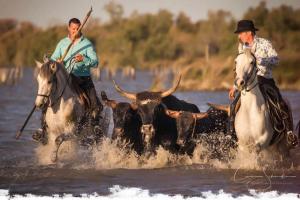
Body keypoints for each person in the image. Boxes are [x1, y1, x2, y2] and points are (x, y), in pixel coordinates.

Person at [228, 19, 298, 148]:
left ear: (249, 33)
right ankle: (230, 134)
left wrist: (261, 60)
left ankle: (289, 133)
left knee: (281, 103)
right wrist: (234, 86)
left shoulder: (265, 43)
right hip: (247, 82)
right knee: (233, 106)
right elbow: (241, 69)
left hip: (264, 79)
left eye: (240, 33)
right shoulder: (242, 47)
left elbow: (276, 60)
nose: (239, 36)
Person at [51, 18, 103, 120]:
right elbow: (52, 60)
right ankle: (44, 127)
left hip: (83, 79)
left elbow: (95, 63)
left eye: (78, 28)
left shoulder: (87, 44)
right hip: (64, 78)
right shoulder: (62, 43)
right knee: (46, 98)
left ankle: (95, 126)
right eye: (73, 28)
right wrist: (56, 62)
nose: (76, 31)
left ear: (81, 28)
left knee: (96, 105)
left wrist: (83, 59)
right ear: (69, 28)